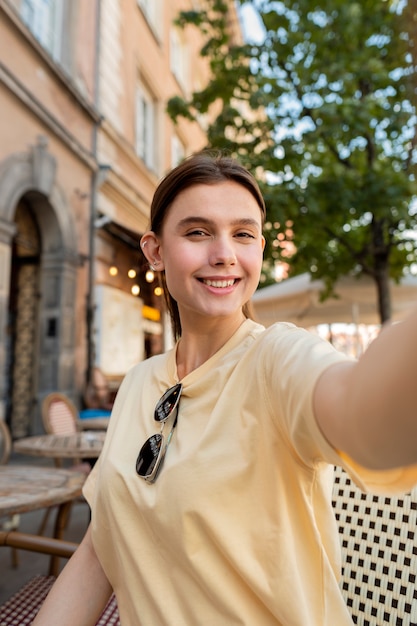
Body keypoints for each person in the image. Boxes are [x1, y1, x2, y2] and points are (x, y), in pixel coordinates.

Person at [33, 151, 417, 625]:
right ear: (154, 251)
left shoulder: (277, 358)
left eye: (243, 234)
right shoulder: (138, 382)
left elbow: (365, 416)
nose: (224, 254)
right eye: (198, 232)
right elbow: (100, 546)